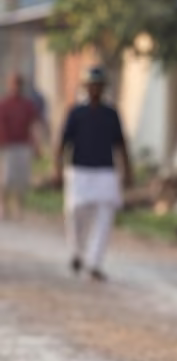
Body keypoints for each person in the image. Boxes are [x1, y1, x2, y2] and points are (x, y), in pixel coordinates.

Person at [55, 65, 132, 279]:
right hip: (79, 171)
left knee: (104, 218)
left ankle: (95, 262)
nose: (95, 89)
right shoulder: (76, 113)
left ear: (103, 88)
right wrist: (57, 169)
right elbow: (63, 143)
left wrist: (128, 170)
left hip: (106, 172)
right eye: (92, 85)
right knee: (75, 214)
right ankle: (77, 252)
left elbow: (121, 144)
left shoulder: (111, 114)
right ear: (86, 87)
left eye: (98, 85)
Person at [0, 72, 42, 220]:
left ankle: (19, 206)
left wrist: (36, 144)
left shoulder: (27, 105)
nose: (16, 87)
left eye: (18, 84)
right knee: (6, 178)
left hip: (23, 145)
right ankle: (3, 205)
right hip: (8, 145)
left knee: (22, 179)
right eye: (14, 84)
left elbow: (34, 124)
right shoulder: (4, 104)